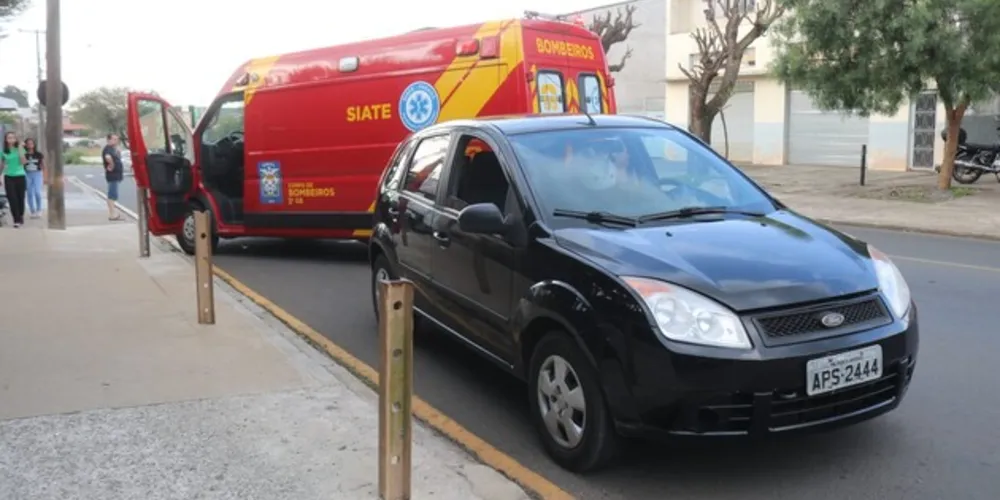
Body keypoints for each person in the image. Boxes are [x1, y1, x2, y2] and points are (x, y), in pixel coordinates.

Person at [1, 131, 28, 227]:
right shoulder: (4, 151)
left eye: (13, 137)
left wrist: (20, 148)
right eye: (9, 138)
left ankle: (20, 216)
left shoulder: (20, 149)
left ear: (15, 139)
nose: (11, 139)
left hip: (20, 176)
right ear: (6, 140)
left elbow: (23, 162)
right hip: (9, 176)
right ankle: (16, 219)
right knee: (12, 199)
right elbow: (2, 165)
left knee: (20, 198)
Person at [102, 133, 124, 221]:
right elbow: (107, 157)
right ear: (109, 140)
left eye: (117, 139)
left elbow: (116, 158)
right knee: (112, 194)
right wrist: (112, 164)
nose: (116, 141)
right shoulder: (108, 149)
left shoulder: (113, 149)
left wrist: (118, 152)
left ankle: (113, 213)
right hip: (112, 175)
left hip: (116, 175)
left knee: (113, 194)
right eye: (114, 139)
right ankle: (112, 214)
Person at [23, 138, 44, 219]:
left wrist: (46, 176)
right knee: (29, 193)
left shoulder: (38, 154)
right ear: (26, 145)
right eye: (28, 143)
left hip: (37, 173)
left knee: (37, 192)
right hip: (27, 173)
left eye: (31, 143)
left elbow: (43, 165)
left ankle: (39, 209)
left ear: (34, 144)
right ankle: (32, 211)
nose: (30, 145)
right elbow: (21, 164)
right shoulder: (24, 154)